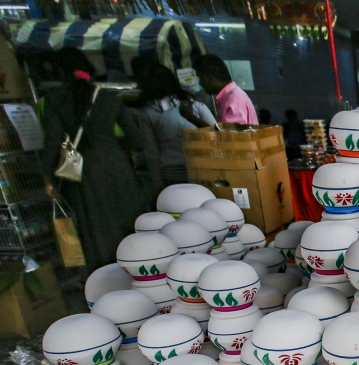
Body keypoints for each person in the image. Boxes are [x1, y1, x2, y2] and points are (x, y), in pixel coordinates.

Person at [42, 47, 147, 273]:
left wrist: (47, 178)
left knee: (94, 228)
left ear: (61, 71)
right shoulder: (109, 97)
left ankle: (104, 277)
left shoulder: (54, 99)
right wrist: (114, 147)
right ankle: (139, 269)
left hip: (82, 173)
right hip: (117, 167)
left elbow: (52, 141)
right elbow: (136, 138)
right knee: (126, 220)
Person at [134, 63, 216, 193]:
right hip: (203, 169)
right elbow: (218, 135)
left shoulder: (147, 113)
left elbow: (152, 153)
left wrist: (158, 186)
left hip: (171, 173)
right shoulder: (194, 105)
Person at [188, 54, 257, 125]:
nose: (200, 83)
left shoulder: (234, 99)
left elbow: (231, 135)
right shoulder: (229, 97)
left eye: (201, 78)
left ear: (209, 77)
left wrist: (192, 118)